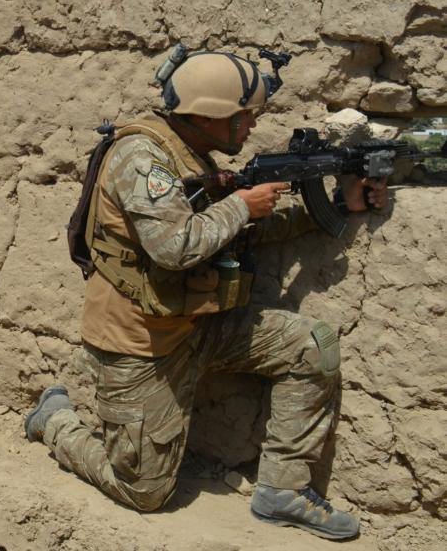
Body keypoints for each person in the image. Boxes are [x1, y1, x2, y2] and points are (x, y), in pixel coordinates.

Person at [23, 49, 387, 541]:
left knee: (311, 344)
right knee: (144, 493)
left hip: (198, 323)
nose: (252, 124)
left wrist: (338, 204)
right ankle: (55, 419)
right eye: (246, 115)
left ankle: (283, 490)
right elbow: (174, 247)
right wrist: (240, 205)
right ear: (212, 115)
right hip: (140, 344)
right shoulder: (142, 158)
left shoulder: (192, 154)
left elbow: (235, 233)